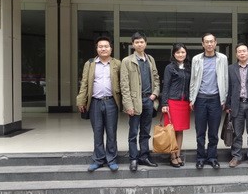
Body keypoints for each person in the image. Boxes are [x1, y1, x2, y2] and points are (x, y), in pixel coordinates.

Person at [77, 36, 122, 172]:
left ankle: (111, 159)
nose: (103, 49)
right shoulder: (90, 64)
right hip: (95, 102)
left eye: (106, 46)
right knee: (97, 131)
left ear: (111, 48)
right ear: (97, 49)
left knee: (111, 132)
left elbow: (123, 83)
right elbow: (84, 83)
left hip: (111, 102)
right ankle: (98, 159)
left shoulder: (117, 64)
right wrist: (81, 100)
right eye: (100, 46)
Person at [120, 32, 161, 172]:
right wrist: (128, 105)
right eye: (136, 42)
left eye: (142, 42)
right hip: (134, 101)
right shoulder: (127, 61)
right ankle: (133, 158)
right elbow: (124, 85)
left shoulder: (150, 59)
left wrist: (154, 94)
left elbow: (156, 78)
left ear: (145, 43)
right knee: (133, 132)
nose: (139, 44)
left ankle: (144, 156)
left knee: (145, 132)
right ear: (133, 44)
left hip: (148, 100)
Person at [190, 33, 228, 170]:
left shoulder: (222, 58)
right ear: (203, 44)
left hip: (216, 99)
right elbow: (193, 79)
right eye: (207, 42)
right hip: (200, 99)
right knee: (200, 131)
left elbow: (225, 78)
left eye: (212, 41)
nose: (209, 44)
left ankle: (212, 157)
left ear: (216, 43)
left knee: (213, 131)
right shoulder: (196, 59)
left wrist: (224, 98)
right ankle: (200, 157)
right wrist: (191, 98)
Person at [161, 43, 191, 168]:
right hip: (172, 102)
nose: (180, 54)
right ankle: (172, 156)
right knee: (172, 130)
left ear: (186, 53)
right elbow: (166, 86)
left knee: (180, 130)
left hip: (184, 102)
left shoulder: (189, 67)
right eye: (178, 52)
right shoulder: (169, 67)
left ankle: (178, 154)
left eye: (183, 52)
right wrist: (164, 103)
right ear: (174, 54)